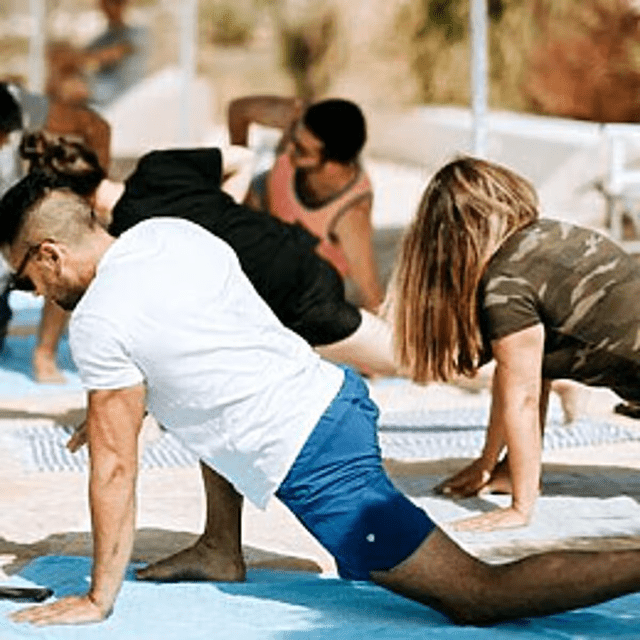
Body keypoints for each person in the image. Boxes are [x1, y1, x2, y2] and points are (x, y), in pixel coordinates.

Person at [7, 185, 640, 627]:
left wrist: (98, 597)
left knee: (475, 594)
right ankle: (220, 545)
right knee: (201, 402)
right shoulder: (168, 235)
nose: (34, 293)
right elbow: (201, 351)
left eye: (24, 277)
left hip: (315, 456)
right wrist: (120, 410)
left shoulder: (98, 321)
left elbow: (116, 468)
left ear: (49, 253)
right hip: (334, 393)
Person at [390, 155, 640, 532]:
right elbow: (520, 382)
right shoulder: (548, 237)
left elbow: (522, 399)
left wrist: (521, 508)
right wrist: (489, 462)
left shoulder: (505, 286)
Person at [20, 133, 397, 376]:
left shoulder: (129, 240)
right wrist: (224, 210)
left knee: (410, 361)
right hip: (297, 257)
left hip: (293, 301)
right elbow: (243, 158)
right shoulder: (157, 166)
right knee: (399, 354)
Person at [228, 95, 384, 312]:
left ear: (332, 166)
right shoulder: (302, 121)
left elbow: (371, 296)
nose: (288, 148)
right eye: (293, 136)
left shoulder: (351, 216)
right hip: (260, 210)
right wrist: (240, 168)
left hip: (298, 278)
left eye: (301, 150)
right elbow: (238, 110)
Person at [0, 81, 111, 382]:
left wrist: (91, 191)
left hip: (20, 224)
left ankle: (44, 353)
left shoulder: (17, 104)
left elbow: (96, 127)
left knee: (54, 256)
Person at [46, 0, 148, 109]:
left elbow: (111, 54)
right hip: (99, 96)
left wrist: (75, 58)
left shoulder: (138, 33)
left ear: (124, 4)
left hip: (122, 97)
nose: (110, 9)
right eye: (106, 4)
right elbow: (84, 55)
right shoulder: (104, 38)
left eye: (115, 3)